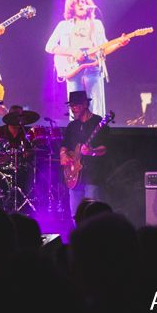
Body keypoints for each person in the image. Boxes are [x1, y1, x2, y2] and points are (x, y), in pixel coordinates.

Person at [46, 0, 125, 117]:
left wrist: (119, 44)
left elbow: (103, 48)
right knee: (76, 109)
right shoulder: (63, 26)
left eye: (85, 2)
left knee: (96, 109)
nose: (83, 4)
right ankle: (78, 134)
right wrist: (71, 51)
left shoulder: (97, 25)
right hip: (73, 70)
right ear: (72, 6)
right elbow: (49, 46)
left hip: (94, 69)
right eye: (79, 3)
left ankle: (97, 134)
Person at [59, 90, 109, 221]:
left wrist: (91, 152)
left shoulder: (98, 122)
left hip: (93, 176)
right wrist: (62, 154)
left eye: (76, 105)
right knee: (75, 215)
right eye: (71, 106)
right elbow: (64, 146)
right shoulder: (72, 125)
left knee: (93, 216)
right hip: (74, 177)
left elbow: (104, 148)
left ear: (85, 104)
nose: (73, 109)